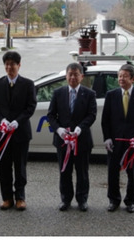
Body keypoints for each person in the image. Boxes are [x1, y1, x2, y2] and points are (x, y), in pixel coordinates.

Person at [0, 51, 37, 211]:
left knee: (20, 166)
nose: (9, 67)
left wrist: (16, 122)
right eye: (7, 64)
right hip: (1, 133)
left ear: (19, 65)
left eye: (13, 64)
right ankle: (7, 198)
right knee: (4, 166)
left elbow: (31, 107)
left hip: (20, 132)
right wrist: (1, 120)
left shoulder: (28, 84)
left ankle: (20, 198)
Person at [101, 64, 134, 213]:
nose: (121, 79)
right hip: (115, 142)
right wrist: (107, 137)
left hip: (132, 143)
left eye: (125, 76)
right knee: (112, 172)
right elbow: (105, 120)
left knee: (132, 173)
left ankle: (131, 201)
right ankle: (113, 200)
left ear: (133, 79)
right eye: (119, 76)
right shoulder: (111, 95)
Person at [47, 63, 97, 212]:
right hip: (63, 141)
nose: (73, 77)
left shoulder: (89, 94)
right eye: (70, 74)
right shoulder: (58, 93)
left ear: (82, 76)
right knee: (64, 171)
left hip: (82, 140)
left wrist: (80, 128)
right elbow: (50, 115)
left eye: (76, 74)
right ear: (66, 76)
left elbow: (92, 115)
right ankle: (65, 199)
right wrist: (59, 130)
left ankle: (82, 200)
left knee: (82, 172)